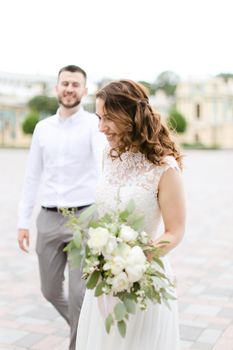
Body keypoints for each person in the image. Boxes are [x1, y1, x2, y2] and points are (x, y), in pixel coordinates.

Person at [75, 79, 186, 350]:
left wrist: (136, 259)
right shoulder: (108, 154)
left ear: (130, 115)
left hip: (143, 277)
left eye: (108, 118)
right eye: (99, 118)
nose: (101, 127)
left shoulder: (164, 168)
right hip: (105, 278)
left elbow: (175, 231)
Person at [17, 65, 106, 350]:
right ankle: (88, 331)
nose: (69, 89)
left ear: (85, 90)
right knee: (50, 290)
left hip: (83, 218)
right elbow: (32, 177)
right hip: (48, 217)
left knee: (80, 294)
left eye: (75, 84)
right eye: (65, 83)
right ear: (57, 87)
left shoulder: (94, 125)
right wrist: (23, 221)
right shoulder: (43, 129)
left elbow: (101, 165)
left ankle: (79, 344)